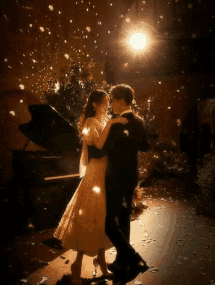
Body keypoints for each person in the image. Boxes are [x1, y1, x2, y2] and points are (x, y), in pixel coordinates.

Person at [53, 90, 128, 285]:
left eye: (107, 102)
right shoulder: (89, 123)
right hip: (95, 175)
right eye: (103, 103)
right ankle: (76, 268)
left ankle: (101, 263)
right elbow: (99, 146)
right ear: (94, 104)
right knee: (90, 216)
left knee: (102, 218)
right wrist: (111, 124)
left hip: (105, 174)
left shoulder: (103, 122)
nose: (106, 106)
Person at [103, 84, 150, 284]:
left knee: (105, 221)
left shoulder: (115, 122)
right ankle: (122, 262)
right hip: (131, 176)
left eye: (113, 100)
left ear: (121, 100)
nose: (111, 104)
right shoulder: (139, 121)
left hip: (115, 177)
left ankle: (132, 256)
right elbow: (146, 146)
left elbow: (104, 149)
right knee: (124, 219)